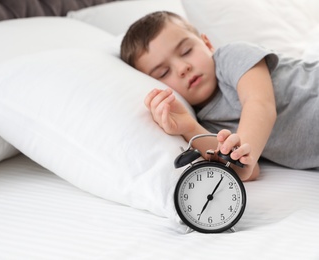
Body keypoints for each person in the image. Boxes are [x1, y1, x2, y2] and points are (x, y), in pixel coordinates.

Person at [120, 11, 319, 181]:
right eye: (163, 73)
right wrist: (190, 127)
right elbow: (247, 170)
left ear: (207, 44)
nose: (183, 68)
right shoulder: (206, 123)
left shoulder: (230, 57)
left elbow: (260, 104)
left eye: (186, 51)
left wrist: (241, 159)